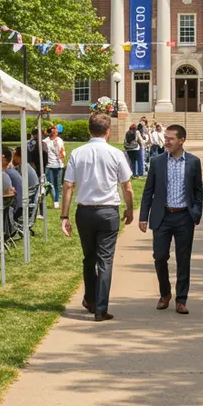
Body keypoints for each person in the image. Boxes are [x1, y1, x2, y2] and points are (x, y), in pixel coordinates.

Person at [60, 113, 134, 322]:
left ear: (89, 130)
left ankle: (91, 299)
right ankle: (100, 307)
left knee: (89, 257)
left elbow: (68, 185)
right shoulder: (116, 153)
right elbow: (127, 186)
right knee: (105, 261)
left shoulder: (77, 153)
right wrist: (129, 209)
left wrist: (63, 215)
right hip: (108, 211)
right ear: (108, 130)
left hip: (84, 211)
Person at [139, 125, 203, 313]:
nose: (166, 141)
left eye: (171, 138)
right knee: (160, 257)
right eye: (165, 138)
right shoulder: (157, 161)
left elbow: (198, 191)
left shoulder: (193, 162)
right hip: (162, 216)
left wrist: (196, 212)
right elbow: (148, 191)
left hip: (184, 216)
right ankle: (165, 293)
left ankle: (181, 299)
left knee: (183, 259)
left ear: (182, 140)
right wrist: (144, 216)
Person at [12, 146, 41, 220]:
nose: (12, 158)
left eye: (13, 155)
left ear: (18, 156)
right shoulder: (24, 166)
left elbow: (17, 185)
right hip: (28, 197)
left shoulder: (24, 169)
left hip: (25, 201)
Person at [43, 125, 66, 206]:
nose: (55, 133)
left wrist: (62, 159)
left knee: (57, 184)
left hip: (58, 166)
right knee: (50, 185)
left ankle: (56, 202)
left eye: (56, 131)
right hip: (49, 166)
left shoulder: (60, 141)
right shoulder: (45, 141)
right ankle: (42, 199)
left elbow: (62, 153)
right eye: (54, 131)